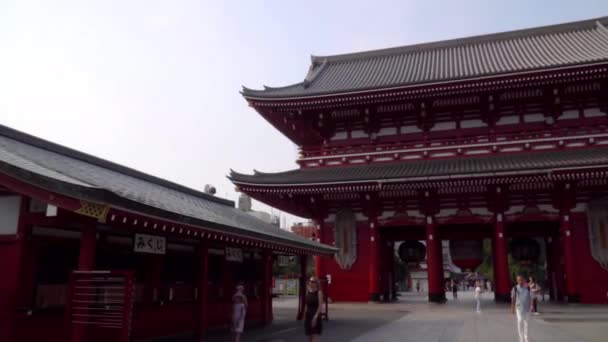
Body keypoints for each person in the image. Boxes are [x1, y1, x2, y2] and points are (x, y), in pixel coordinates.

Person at [511, 274, 532, 342]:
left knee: (526, 323)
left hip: (527, 308)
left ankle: (526, 338)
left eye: (521, 280)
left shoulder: (528, 288)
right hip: (519, 308)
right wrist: (512, 308)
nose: (519, 281)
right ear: (517, 281)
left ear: (523, 280)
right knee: (520, 321)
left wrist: (531, 306)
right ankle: (521, 338)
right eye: (518, 280)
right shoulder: (515, 288)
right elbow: (513, 298)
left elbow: (531, 297)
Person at [304, 277, 324, 342]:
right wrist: (304, 314)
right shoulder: (308, 292)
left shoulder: (319, 292)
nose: (311, 283)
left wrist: (316, 316)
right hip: (308, 315)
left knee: (314, 336)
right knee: (309, 335)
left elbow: (320, 306)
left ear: (316, 283)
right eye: (310, 281)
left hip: (315, 314)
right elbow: (306, 304)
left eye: (313, 281)